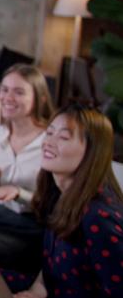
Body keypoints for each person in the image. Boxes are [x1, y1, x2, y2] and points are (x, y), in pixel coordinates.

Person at [14, 104, 123, 298]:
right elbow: (49, 270)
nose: (48, 142)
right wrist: (35, 292)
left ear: (93, 152)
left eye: (63, 137)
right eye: (49, 133)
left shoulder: (99, 218)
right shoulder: (58, 194)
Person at [0, 64, 54, 276]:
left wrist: (18, 193)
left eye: (19, 92)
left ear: (41, 98)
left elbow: (57, 206)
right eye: (5, 89)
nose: (7, 97)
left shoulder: (52, 140)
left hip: (31, 227)